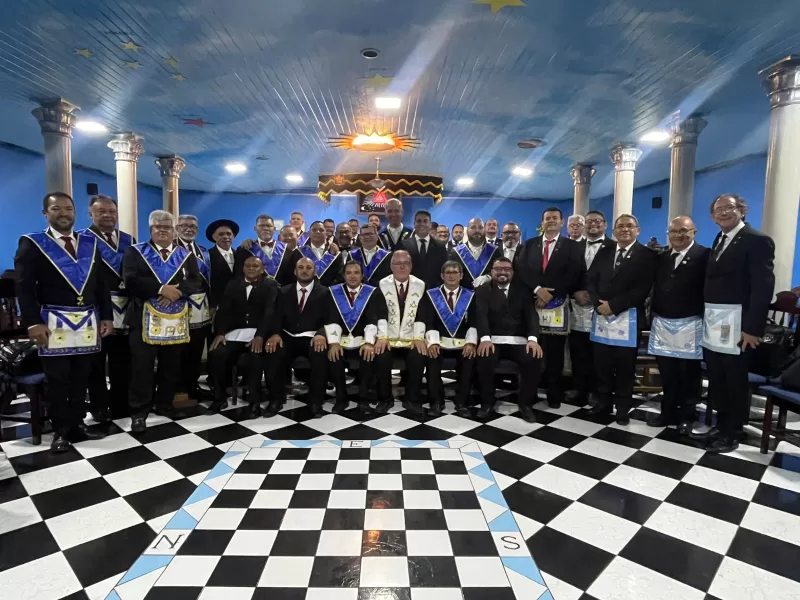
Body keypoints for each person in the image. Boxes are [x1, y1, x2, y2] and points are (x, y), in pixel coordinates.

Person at [15, 192, 113, 452]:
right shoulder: (33, 244)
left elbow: (101, 284)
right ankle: (60, 431)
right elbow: (24, 288)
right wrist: (32, 322)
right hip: (52, 323)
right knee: (58, 379)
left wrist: (107, 316)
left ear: (75, 212)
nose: (63, 213)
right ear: (45, 213)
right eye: (56, 209)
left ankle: (77, 424)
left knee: (82, 376)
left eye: (68, 208)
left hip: (87, 321)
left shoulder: (89, 243)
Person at [699, 194, 775, 453]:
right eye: (717, 209)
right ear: (713, 217)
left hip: (739, 325)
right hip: (715, 322)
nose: (722, 213)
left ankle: (733, 431)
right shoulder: (720, 238)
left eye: (728, 208)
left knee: (734, 379)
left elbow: (763, 287)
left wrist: (753, 329)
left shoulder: (757, 240)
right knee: (718, 377)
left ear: (742, 210)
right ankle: (721, 425)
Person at [123, 210, 202, 432]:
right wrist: (160, 289)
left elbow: (195, 280)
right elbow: (130, 280)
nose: (163, 231)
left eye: (167, 227)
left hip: (175, 318)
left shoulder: (185, 254)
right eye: (158, 227)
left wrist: (177, 292)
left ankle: (165, 404)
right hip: (143, 318)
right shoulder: (135, 252)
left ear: (173, 230)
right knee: (142, 367)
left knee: (171, 365)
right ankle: (139, 412)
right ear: (151, 230)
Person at [586, 214, 657, 425]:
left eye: (629, 226)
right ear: (614, 231)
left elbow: (642, 288)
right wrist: (598, 303)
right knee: (602, 364)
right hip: (602, 316)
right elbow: (591, 279)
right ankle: (603, 403)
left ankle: (622, 408)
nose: (625, 229)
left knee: (625, 367)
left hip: (629, 319)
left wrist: (614, 306)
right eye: (620, 226)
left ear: (637, 230)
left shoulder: (647, 255)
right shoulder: (605, 251)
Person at [517, 207, 584, 408]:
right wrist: (538, 290)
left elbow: (575, 273)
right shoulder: (529, 244)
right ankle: (530, 392)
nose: (551, 221)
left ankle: (554, 393)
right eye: (548, 218)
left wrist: (551, 294)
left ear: (562, 222)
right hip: (532, 304)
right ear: (542, 222)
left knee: (555, 354)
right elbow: (521, 269)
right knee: (532, 351)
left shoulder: (572, 246)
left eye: (555, 218)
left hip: (558, 304)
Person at [648, 216, 709, 433]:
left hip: (690, 323)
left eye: (683, 230)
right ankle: (668, 412)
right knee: (667, 372)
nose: (678, 235)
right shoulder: (662, 257)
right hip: (663, 323)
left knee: (689, 374)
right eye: (673, 231)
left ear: (694, 232)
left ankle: (687, 416)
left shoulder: (705, 255)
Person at [84, 194, 135, 421]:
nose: (107, 215)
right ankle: (99, 406)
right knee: (96, 361)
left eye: (112, 211)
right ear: (91, 214)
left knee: (122, 359)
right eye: (101, 211)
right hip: (97, 308)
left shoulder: (128, 239)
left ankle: (120, 403)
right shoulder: (83, 239)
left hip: (126, 307)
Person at [208, 255, 279, 417]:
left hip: (258, 333)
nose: (251, 268)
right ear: (243, 268)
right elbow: (223, 310)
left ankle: (254, 401)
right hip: (234, 334)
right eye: (248, 265)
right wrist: (220, 333)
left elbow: (269, 313)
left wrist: (260, 336)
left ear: (262, 269)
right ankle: (219, 398)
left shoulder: (270, 285)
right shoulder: (233, 284)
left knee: (255, 356)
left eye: (255, 266)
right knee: (216, 353)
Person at [474, 257, 542, 423]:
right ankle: (487, 402)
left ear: (512, 272)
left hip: (518, 340)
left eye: (507, 269)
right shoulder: (483, 290)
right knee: (484, 357)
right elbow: (481, 316)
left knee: (533, 357)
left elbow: (531, 316)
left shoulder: (523, 290)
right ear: (492, 272)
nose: (502, 272)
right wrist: (485, 339)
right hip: (493, 339)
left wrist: (533, 339)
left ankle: (526, 404)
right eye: (498, 269)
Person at [264, 257, 329, 417]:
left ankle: (315, 401)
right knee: (273, 352)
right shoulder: (283, 291)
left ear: (315, 272)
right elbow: (276, 316)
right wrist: (275, 334)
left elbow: (330, 318)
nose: (304, 271)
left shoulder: (325, 293)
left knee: (320, 354)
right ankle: (276, 399)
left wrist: (321, 334)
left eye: (308, 267)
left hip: (312, 338)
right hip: (288, 337)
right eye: (301, 267)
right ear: (295, 271)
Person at [324, 261, 385, 414]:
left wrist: (369, 342)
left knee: (368, 355)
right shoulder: (333, 292)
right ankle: (341, 398)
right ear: (344, 276)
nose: (352, 276)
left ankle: (363, 399)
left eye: (356, 272)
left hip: (363, 339)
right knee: (334, 356)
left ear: (362, 275)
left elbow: (373, 319)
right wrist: (333, 343)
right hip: (340, 339)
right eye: (349, 273)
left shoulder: (373, 292)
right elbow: (331, 319)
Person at [568, 210, 614, 405]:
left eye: (598, 221)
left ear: (605, 224)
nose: (593, 224)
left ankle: (599, 392)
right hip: (577, 305)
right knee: (578, 350)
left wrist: (594, 297)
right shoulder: (573, 247)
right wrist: (574, 292)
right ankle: (580, 389)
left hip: (603, 307)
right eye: (589, 221)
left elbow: (616, 278)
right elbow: (566, 274)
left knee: (600, 353)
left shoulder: (614, 247)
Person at [421, 261, 477, 418]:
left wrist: (471, 343)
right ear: (442, 276)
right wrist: (432, 343)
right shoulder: (431, 295)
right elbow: (429, 321)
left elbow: (474, 322)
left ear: (461, 275)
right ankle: (436, 401)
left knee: (469, 361)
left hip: (462, 343)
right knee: (432, 360)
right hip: (439, 341)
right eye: (448, 273)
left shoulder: (470, 296)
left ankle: (462, 402)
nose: (451, 276)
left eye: (455, 272)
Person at [373, 251, 427, 414]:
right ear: (391, 266)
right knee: (381, 356)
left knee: (418, 355)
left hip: (411, 337)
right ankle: (385, 399)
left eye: (406, 263)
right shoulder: (382, 284)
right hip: (388, 337)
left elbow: (422, 314)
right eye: (397, 263)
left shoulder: (420, 285)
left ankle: (411, 399)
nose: (402, 267)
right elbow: (380, 313)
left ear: (411, 266)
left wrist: (418, 337)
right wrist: (382, 337)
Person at [176, 214, 212, 400]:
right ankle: (176, 387)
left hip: (201, 308)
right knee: (177, 350)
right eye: (184, 225)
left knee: (196, 348)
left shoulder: (203, 251)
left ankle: (192, 385)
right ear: (177, 228)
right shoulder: (172, 249)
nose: (188, 229)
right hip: (178, 304)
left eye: (192, 226)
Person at [238, 215, 299, 285]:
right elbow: (239, 276)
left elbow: (292, 277)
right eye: (261, 226)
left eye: (268, 226)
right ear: (255, 229)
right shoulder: (245, 249)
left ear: (274, 229)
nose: (265, 228)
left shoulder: (287, 250)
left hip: (282, 290)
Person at [449, 217, 503, 289]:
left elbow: (500, 270)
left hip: (488, 293)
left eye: (480, 227)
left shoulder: (495, 251)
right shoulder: (455, 252)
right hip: (464, 294)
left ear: (484, 230)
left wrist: (489, 276)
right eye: (473, 227)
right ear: (467, 231)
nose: (477, 230)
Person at [402, 210, 449, 289]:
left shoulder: (440, 246)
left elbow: (444, 271)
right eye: (419, 221)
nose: (422, 224)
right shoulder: (404, 245)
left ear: (430, 225)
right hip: (410, 290)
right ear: (414, 224)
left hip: (433, 291)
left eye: (425, 221)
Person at [206, 219, 238, 312]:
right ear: (214, 237)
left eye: (229, 234)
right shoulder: (206, 256)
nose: (225, 237)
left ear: (233, 236)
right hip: (217, 307)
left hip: (239, 306)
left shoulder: (240, 254)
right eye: (221, 234)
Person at [296, 220, 342, 286]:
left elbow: (339, 277)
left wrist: (328, 290)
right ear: (309, 234)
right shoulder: (299, 252)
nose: (317, 232)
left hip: (328, 291)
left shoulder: (335, 254)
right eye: (314, 230)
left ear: (326, 234)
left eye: (321, 230)